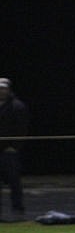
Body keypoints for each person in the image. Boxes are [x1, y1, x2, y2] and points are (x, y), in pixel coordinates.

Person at [0, 78, 29, 222]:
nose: (1, 91)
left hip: (9, 151)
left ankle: (18, 210)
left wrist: (14, 146)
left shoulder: (17, 106)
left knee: (14, 181)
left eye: (4, 88)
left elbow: (22, 128)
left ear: (8, 89)